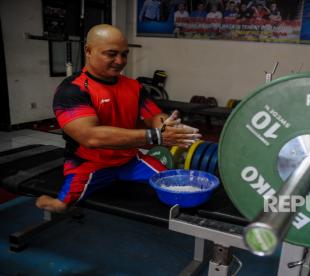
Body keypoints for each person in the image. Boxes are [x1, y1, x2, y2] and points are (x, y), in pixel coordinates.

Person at [36, 24, 201, 213]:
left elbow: (154, 116)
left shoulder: (133, 86)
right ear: (88, 51)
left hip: (129, 160)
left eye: (124, 54)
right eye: (111, 54)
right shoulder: (72, 90)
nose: (120, 61)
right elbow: (90, 137)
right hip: (89, 163)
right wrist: (155, 136)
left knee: (173, 183)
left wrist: (166, 126)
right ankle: (46, 201)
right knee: (62, 205)